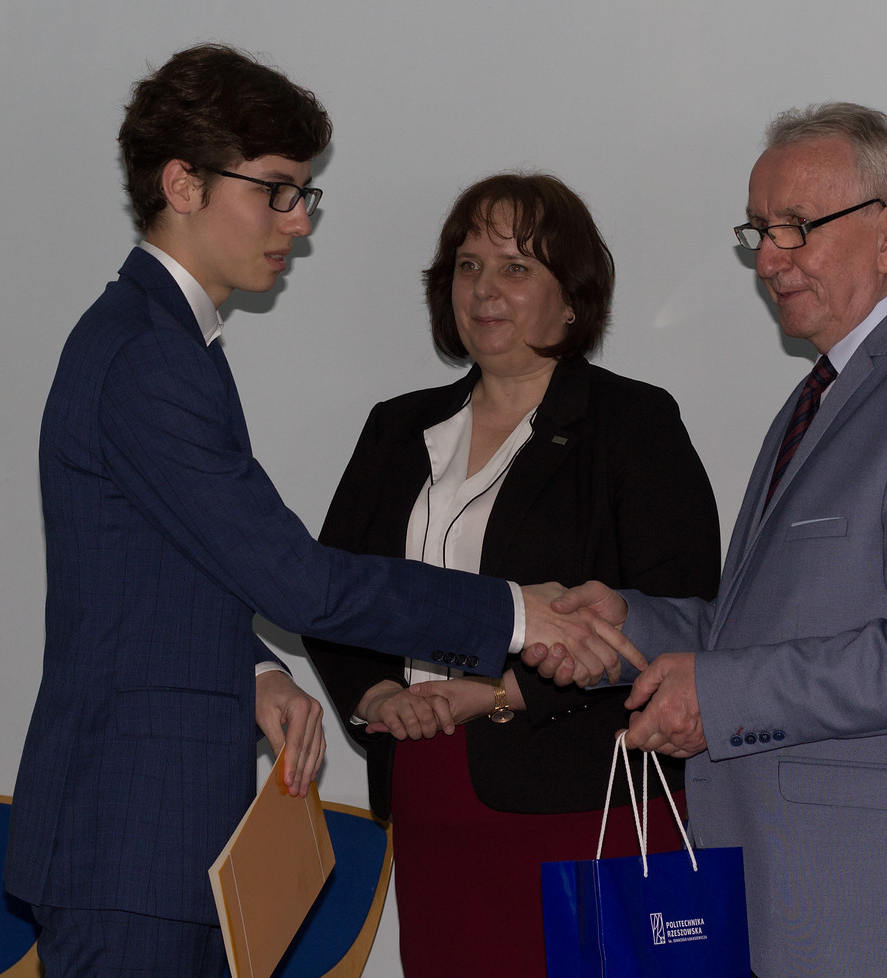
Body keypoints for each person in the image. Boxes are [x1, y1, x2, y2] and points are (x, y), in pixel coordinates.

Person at [4, 45, 639, 977]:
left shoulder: (167, 342)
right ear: (182, 184)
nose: (298, 221)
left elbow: (166, 573)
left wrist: (256, 670)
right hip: (130, 840)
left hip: (154, 839)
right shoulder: (150, 355)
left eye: (304, 194)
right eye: (277, 191)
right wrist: (514, 614)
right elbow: (297, 581)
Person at [549, 104, 887, 978]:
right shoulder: (826, 393)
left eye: (797, 226)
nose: (768, 258)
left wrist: (720, 695)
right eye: (759, 230)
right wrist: (626, 628)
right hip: (815, 903)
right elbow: (769, 628)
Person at [304, 172, 722, 977]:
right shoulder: (396, 429)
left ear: (573, 299)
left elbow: (682, 617)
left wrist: (498, 694)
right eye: (468, 266)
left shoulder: (632, 423)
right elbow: (331, 594)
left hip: (582, 802)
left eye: (516, 267)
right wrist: (377, 696)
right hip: (428, 796)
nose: (484, 289)